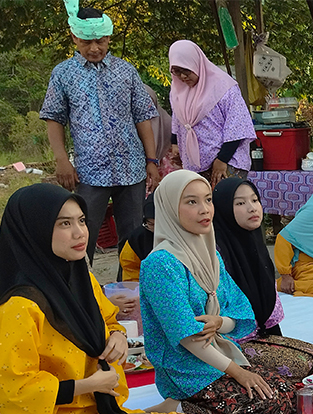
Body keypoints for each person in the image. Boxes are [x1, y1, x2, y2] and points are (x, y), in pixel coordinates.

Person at [0, 184, 216, 414]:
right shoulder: (20, 306)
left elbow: (110, 319)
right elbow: (13, 391)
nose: (79, 233)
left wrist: (117, 335)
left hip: (101, 412)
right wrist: (89, 385)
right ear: (34, 230)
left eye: (82, 221)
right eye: (64, 223)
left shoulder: (79, 277)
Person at [140, 171, 296, 414]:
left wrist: (218, 321)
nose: (205, 210)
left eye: (208, 200)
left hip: (219, 352)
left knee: (288, 392)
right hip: (186, 369)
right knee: (271, 407)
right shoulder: (160, 264)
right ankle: (176, 407)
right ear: (168, 208)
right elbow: (188, 337)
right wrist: (238, 372)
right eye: (191, 202)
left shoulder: (210, 254)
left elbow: (238, 311)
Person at [40, 3, 161, 262]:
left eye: (101, 41)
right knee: (82, 236)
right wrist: (62, 160)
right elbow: (54, 119)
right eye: (87, 42)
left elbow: (142, 117)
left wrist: (151, 161)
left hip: (132, 169)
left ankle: (131, 294)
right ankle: (84, 295)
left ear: (108, 38)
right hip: (89, 171)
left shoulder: (126, 71)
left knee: (133, 239)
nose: (94, 48)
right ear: (74, 37)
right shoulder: (63, 74)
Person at [212, 178, 313, 379]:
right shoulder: (216, 254)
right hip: (230, 346)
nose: (251, 208)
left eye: (254, 200)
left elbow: (268, 308)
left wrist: (277, 344)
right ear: (223, 208)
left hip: (260, 337)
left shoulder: (255, 243)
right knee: (300, 365)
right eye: (240, 203)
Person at [168, 40, 256, 187]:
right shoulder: (178, 91)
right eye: (177, 71)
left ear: (196, 63)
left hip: (227, 163)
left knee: (227, 207)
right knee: (202, 210)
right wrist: (175, 144)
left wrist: (222, 160)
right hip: (195, 168)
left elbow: (237, 127)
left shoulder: (224, 88)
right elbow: (178, 121)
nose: (183, 76)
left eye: (186, 70)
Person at [118, 195, 155, 282]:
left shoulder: (189, 231)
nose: (156, 230)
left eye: (161, 223)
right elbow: (131, 272)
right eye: (151, 224)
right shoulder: (137, 240)